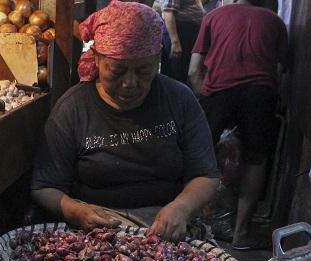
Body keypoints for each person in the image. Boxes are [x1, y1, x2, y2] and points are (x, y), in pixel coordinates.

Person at [33, 0, 220, 242]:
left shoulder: (179, 99)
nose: (130, 82)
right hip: (98, 230)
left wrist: (182, 208)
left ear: (157, 61)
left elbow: (206, 175)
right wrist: (76, 211)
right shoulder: (73, 108)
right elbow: (44, 187)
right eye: (118, 70)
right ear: (98, 60)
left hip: (167, 226)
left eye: (143, 70)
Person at [188, 0, 288, 249]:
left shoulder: (214, 16)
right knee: (255, 160)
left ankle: (190, 222)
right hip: (260, 93)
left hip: (218, 90)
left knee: (202, 152)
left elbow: (193, 71)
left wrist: (206, 98)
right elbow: (279, 70)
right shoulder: (275, 21)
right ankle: (240, 234)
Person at [160, 0, 205, 85]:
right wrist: (175, 42)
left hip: (186, 32)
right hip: (180, 32)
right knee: (176, 75)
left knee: (182, 73)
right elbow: (168, 11)